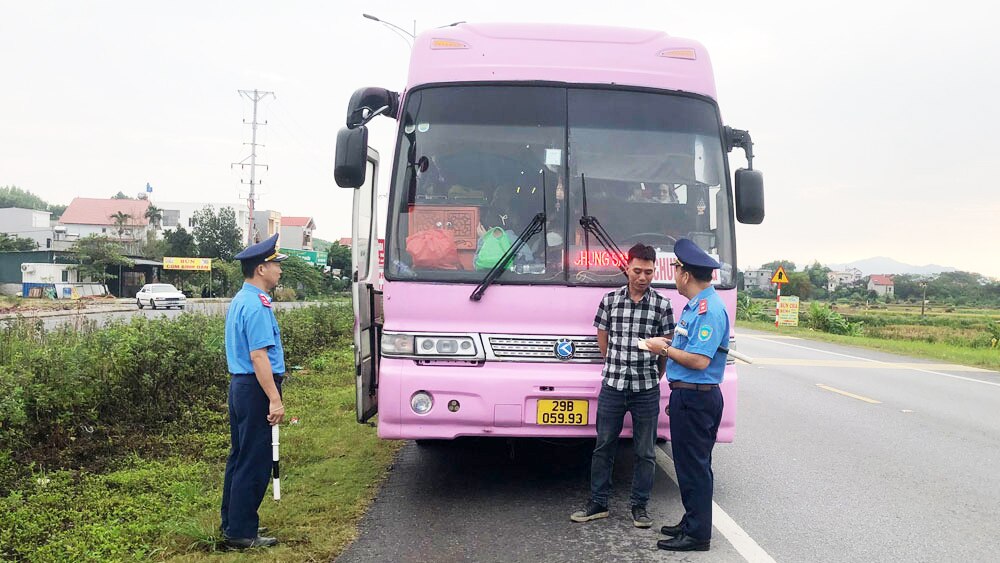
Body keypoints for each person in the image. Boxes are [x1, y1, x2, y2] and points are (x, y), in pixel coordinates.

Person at [571, 243, 675, 529]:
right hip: (613, 386)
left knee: (645, 451)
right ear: (627, 268)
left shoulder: (662, 305)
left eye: (649, 272)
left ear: (655, 271)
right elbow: (602, 336)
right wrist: (611, 361)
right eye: (638, 271)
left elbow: (666, 347)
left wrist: (656, 375)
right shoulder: (610, 300)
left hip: (646, 388)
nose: (643, 277)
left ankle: (639, 507)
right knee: (604, 446)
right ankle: (598, 503)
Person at [644, 238, 729, 552]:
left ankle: (697, 535)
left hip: (696, 398)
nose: (675, 272)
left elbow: (699, 360)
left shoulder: (708, 310)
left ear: (686, 275)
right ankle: (692, 521)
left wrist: (663, 348)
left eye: (677, 267)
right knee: (691, 465)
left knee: (694, 466)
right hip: (690, 396)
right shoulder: (696, 307)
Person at [220, 233, 288, 549]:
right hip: (256, 388)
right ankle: (242, 534)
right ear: (261, 268)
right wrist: (274, 398)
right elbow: (259, 356)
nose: (280, 270)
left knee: (239, 457)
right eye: (276, 264)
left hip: (241, 387)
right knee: (254, 461)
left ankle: (232, 525)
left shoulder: (240, 299)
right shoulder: (258, 306)